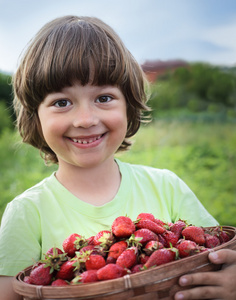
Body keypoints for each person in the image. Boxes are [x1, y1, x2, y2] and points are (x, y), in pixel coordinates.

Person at [0, 15, 235, 300]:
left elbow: (218, 257)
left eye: (103, 98)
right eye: (62, 102)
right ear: (35, 118)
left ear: (129, 106)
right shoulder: (26, 213)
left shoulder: (167, 187)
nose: (85, 120)